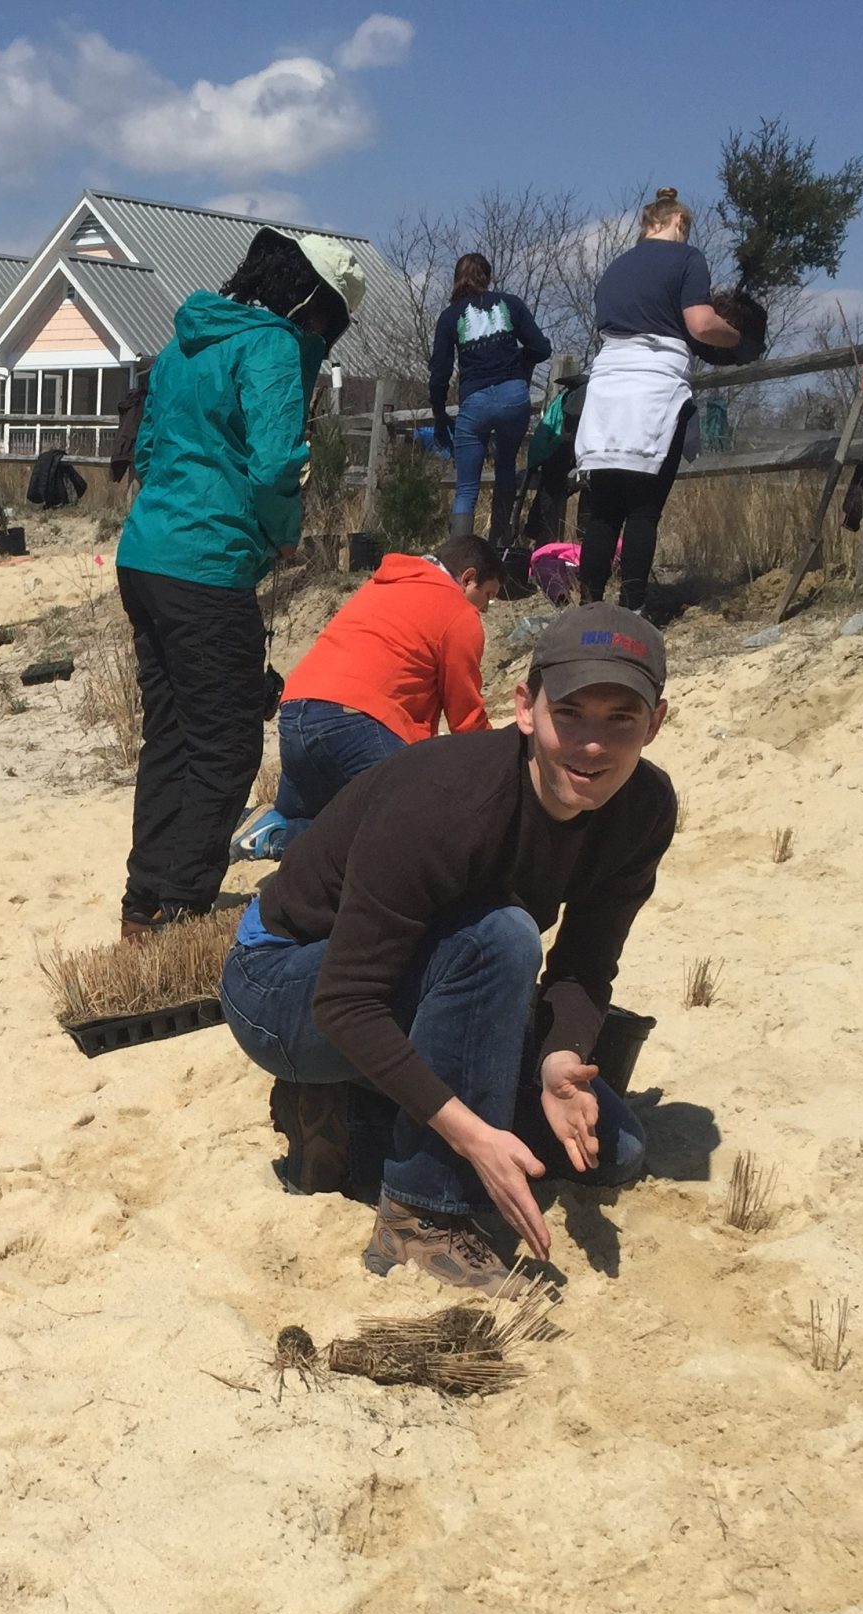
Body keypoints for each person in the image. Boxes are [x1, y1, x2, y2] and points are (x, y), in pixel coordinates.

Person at [218, 605, 676, 1286]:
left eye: (621, 720)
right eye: (571, 712)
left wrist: (557, 1061)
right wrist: (473, 1138)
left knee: (617, 1150)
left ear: (655, 724)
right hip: (285, 982)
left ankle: (352, 1110)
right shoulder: (445, 799)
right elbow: (348, 1002)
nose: (591, 746)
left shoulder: (643, 810)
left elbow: (584, 965)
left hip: (429, 982)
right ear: (526, 707)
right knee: (501, 934)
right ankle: (419, 1216)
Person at [112, 225, 366, 940]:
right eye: (328, 318)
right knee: (226, 746)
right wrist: (282, 532)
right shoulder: (273, 346)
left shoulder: (185, 340)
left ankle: (142, 905)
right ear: (310, 298)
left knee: (170, 736)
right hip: (208, 563)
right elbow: (278, 461)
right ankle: (182, 908)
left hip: (147, 555)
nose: (323, 332)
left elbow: (152, 446)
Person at [572, 188, 741, 613]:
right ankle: (631, 606)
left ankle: (589, 605)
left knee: (605, 508)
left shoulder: (615, 268)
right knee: (644, 508)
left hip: (607, 385)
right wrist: (734, 336)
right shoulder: (688, 259)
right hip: (654, 387)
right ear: (678, 222)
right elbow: (700, 324)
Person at [270, 533, 499, 824]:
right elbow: (465, 718)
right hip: (357, 721)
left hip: (294, 715)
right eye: (488, 595)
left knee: (320, 816)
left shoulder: (385, 583)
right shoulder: (460, 614)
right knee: (418, 823)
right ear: (468, 578)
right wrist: (498, 759)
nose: (486, 607)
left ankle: (282, 825)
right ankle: (288, 837)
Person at [428, 255, 550, 546]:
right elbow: (541, 348)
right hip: (513, 396)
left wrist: (439, 413)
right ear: (488, 276)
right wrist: (519, 364)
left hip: (476, 401)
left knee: (467, 487)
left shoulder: (450, 316)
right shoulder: (510, 304)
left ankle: (460, 558)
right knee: (506, 467)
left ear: (457, 278)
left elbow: (439, 373)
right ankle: (500, 542)